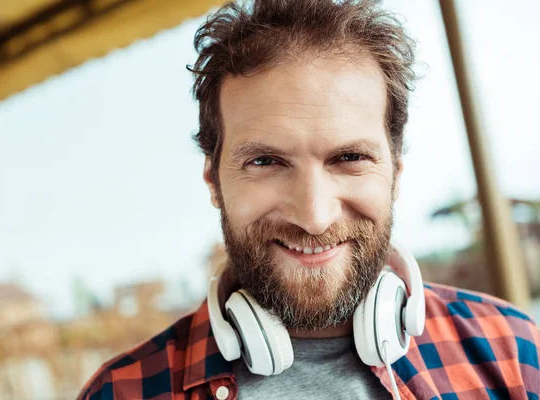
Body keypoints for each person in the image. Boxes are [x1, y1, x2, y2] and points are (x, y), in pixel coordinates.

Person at [77, 0, 540, 399]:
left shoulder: (514, 352)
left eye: (350, 157)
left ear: (395, 175)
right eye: (266, 162)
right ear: (213, 181)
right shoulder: (121, 391)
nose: (315, 216)